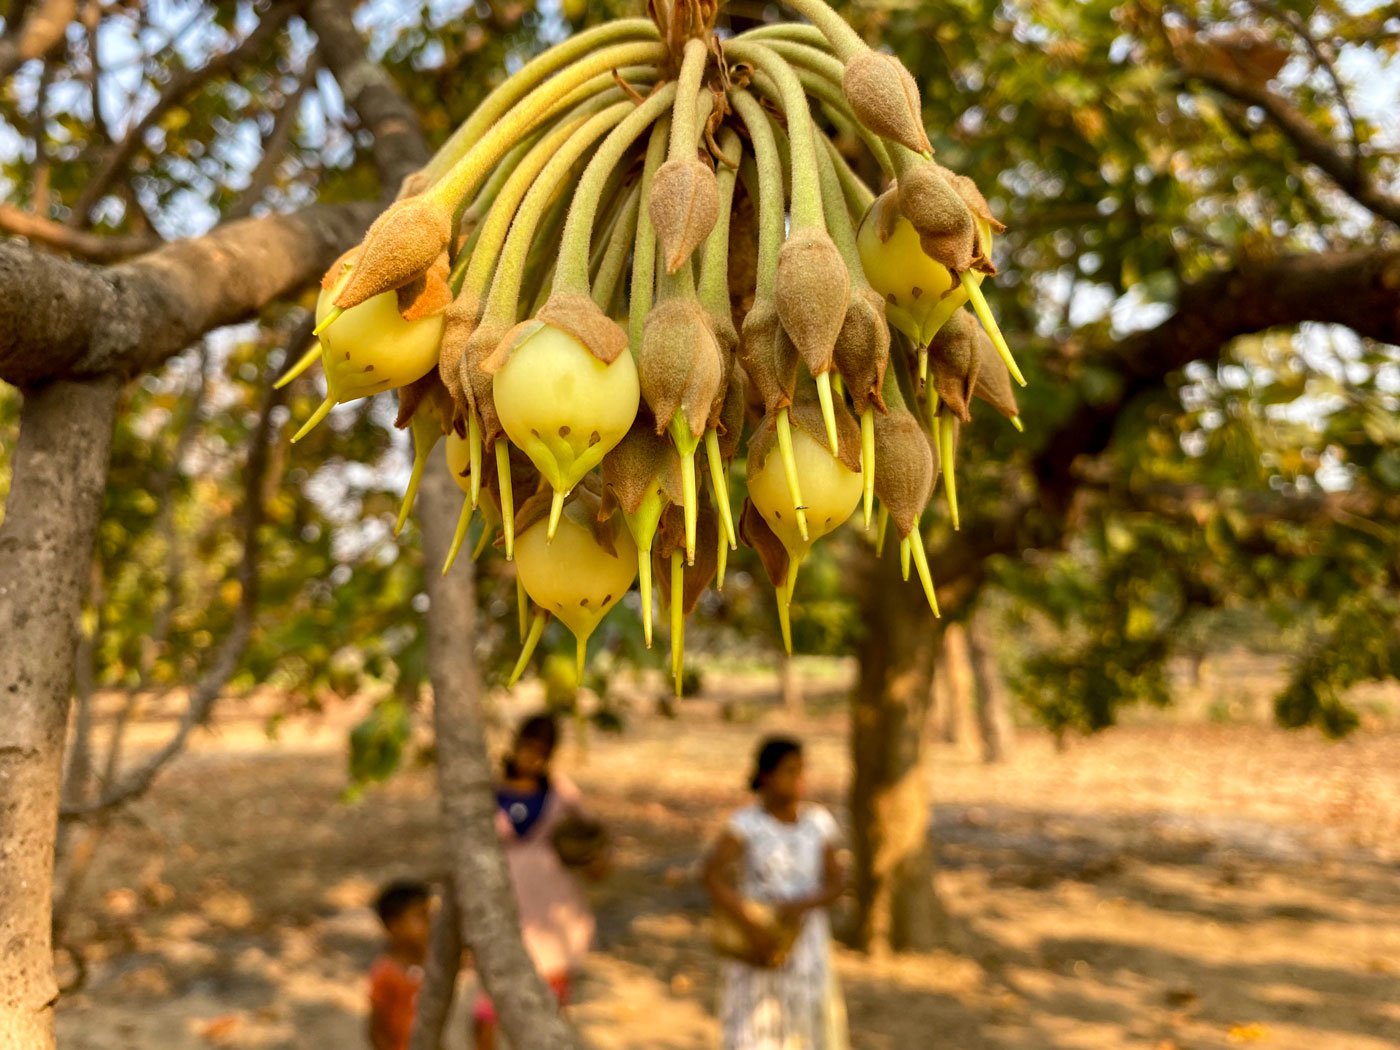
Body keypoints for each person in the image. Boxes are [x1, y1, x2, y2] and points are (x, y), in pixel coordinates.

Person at [703, 736, 848, 1050]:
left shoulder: (817, 823)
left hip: (806, 946)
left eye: (802, 771)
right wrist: (749, 924)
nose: (799, 780)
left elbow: (837, 882)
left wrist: (802, 905)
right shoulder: (746, 825)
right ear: (767, 776)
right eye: (790, 771)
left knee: (804, 1030)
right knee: (756, 1033)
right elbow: (712, 876)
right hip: (759, 941)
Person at [473, 713, 598, 1050]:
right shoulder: (485, 793)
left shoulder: (562, 794)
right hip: (505, 912)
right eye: (529, 747)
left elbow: (593, 844)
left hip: (553, 913)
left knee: (549, 1010)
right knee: (487, 1014)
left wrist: (587, 854)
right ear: (515, 744)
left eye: (543, 750)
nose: (533, 756)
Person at [368, 879, 431, 1050]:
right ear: (395, 925)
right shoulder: (386, 973)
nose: (429, 923)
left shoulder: (432, 966)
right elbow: (377, 1030)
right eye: (421, 916)